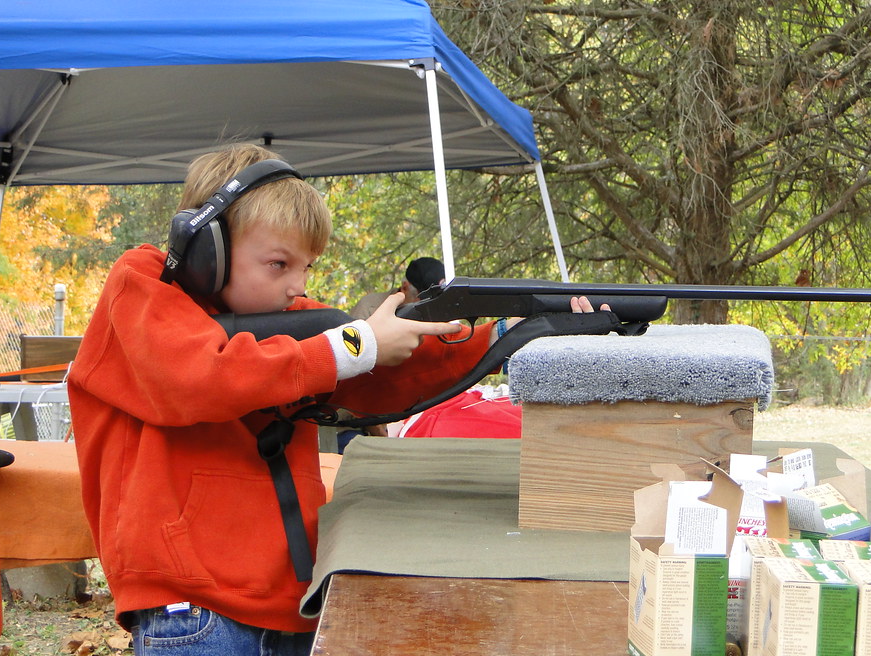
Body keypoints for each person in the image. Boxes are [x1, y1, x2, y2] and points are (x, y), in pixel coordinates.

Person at [66, 143, 600, 656]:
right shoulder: (139, 286)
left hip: (288, 600)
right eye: (278, 264)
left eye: (307, 268)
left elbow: (377, 381)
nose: (297, 286)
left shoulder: (291, 327)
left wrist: (512, 333)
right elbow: (201, 377)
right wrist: (357, 343)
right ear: (210, 250)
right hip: (193, 610)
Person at [348, 256, 446, 320]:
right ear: (405, 287)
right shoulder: (369, 308)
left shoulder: (436, 314)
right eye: (424, 298)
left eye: (435, 299)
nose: (428, 305)